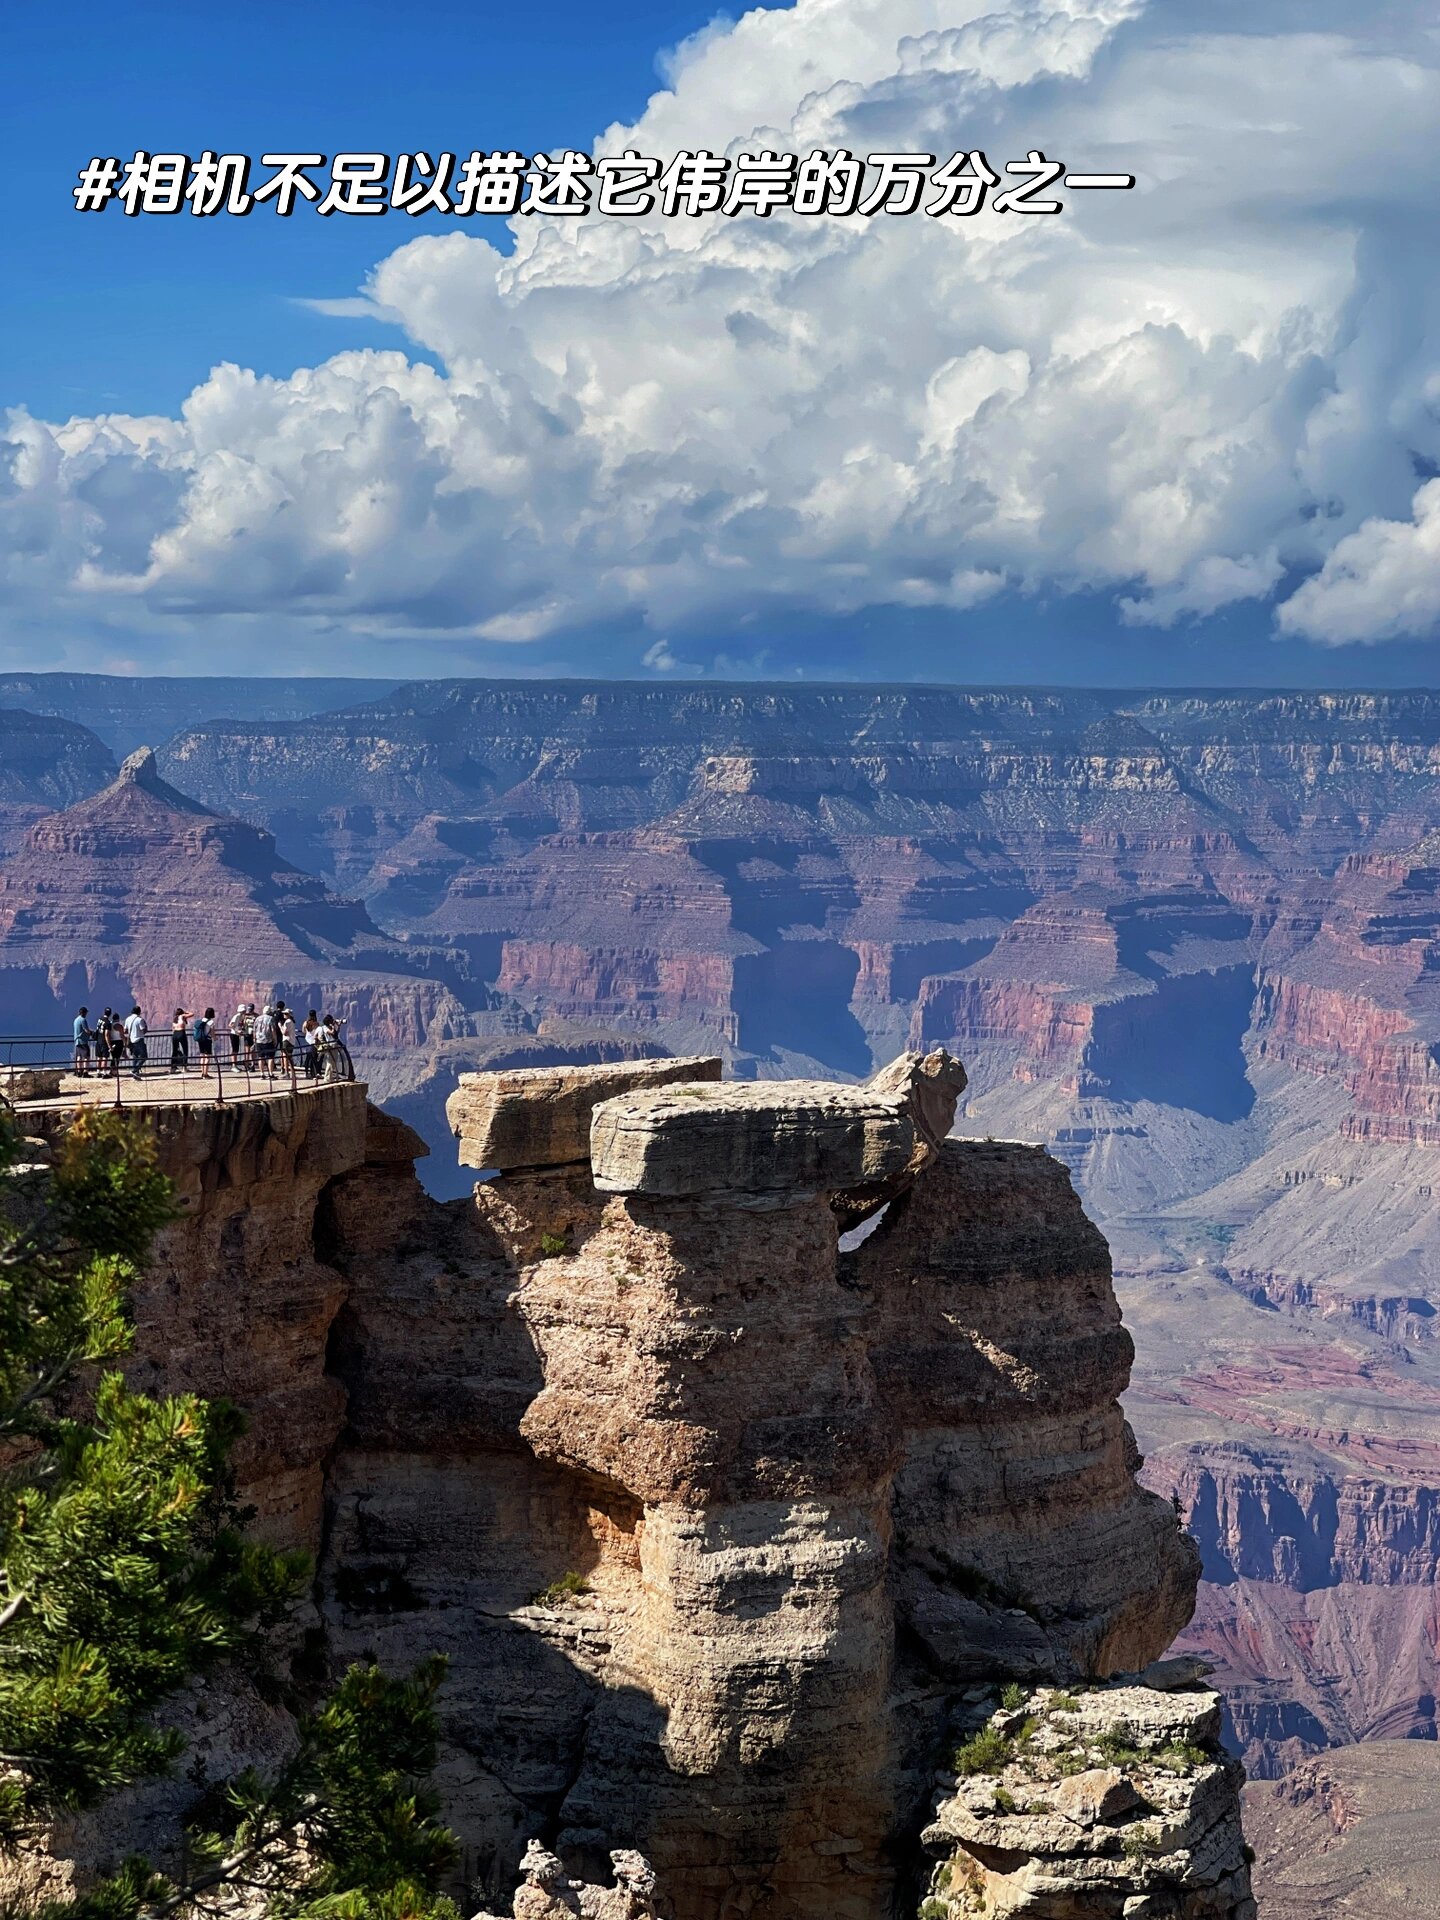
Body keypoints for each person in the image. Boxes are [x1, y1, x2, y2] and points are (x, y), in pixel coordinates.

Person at [253, 1003, 278, 1080]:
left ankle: (262, 1073)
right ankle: (270, 1073)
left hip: (259, 1040)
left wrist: (254, 1039)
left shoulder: (257, 1018)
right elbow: (273, 1030)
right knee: (270, 1057)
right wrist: (275, 1040)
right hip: (268, 1040)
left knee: (261, 1057)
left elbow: (254, 1030)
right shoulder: (271, 1018)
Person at [124, 1004, 148, 1080]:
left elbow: (125, 1030)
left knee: (135, 1057)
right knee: (144, 1057)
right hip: (139, 1040)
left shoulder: (127, 1019)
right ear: (139, 1012)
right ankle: (134, 1070)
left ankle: (136, 1074)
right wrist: (145, 1026)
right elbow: (143, 1030)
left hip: (131, 1041)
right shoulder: (139, 1020)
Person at [193, 1006, 216, 1080]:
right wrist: (215, 1038)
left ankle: (202, 1073)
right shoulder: (211, 1022)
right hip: (207, 1040)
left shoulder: (202, 1020)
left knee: (202, 1056)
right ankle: (205, 1074)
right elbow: (212, 1033)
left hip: (201, 1040)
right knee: (207, 1057)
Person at [299, 1010, 320, 1080]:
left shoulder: (305, 1023)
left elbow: (303, 1031)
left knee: (307, 1059)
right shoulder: (316, 1024)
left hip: (307, 1042)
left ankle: (306, 1073)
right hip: (314, 1043)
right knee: (313, 1059)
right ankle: (313, 1073)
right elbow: (318, 1033)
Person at [73, 1006, 92, 1077]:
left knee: (79, 1056)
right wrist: (91, 1033)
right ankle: (85, 1072)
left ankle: (78, 1071)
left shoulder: (75, 1020)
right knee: (86, 1057)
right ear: (84, 1013)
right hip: (83, 1041)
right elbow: (86, 1030)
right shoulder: (83, 1020)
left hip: (77, 1040)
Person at [278, 1003, 296, 1078]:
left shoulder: (287, 1022)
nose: (284, 1014)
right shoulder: (291, 1021)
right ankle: (292, 1072)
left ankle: (286, 1073)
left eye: (285, 1013)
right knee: (289, 1057)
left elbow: (284, 1033)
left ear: (289, 1015)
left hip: (287, 1041)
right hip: (291, 1041)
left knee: (285, 1057)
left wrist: (280, 1026)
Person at [170, 1009, 189, 1074]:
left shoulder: (174, 1019)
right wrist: (185, 1012)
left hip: (175, 1034)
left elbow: (172, 1029)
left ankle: (173, 1067)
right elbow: (192, 1014)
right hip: (181, 1033)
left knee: (174, 1051)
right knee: (185, 1050)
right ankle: (184, 1067)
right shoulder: (182, 1016)